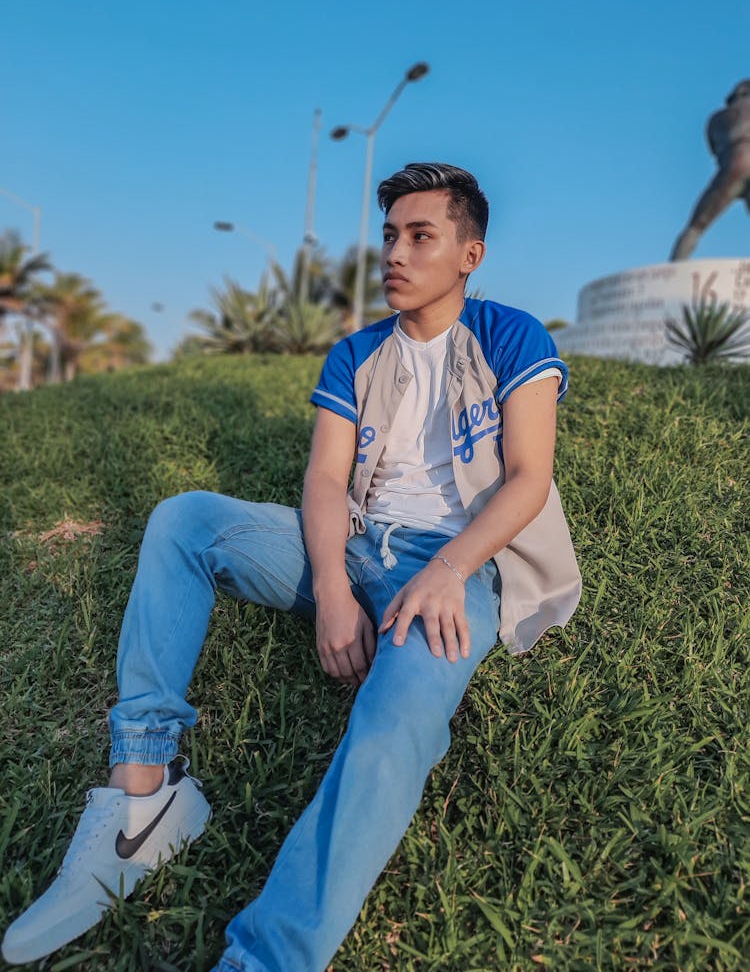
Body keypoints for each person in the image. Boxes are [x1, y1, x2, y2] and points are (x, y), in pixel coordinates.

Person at [2, 163, 581, 970]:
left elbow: (528, 480)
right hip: (354, 544)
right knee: (185, 519)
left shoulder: (513, 336)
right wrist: (336, 593)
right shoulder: (356, 354)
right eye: (389, 236)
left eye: (421, 236)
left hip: (458, 567)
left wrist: (449, 567)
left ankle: (266, 958)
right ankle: (145, 796)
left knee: (395, 719)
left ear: (470, 254)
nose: (396, 254)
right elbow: (323, 482)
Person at [670, 79, 750, 260]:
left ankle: (675, 266)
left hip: (734, 163)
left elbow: (715, 151)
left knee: (696, 226)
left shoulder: (717, 118)